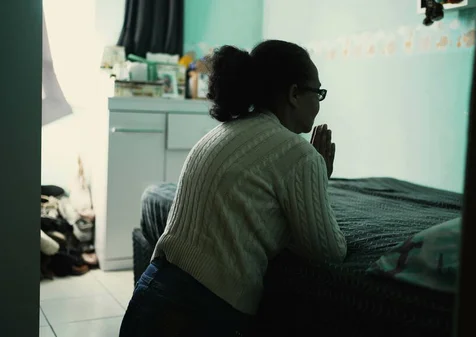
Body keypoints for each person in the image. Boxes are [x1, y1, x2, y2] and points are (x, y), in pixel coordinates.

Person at [119, 40, 347, 337]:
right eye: (317, 92)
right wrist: (319, 178)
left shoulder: (219, 133)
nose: (318, 102)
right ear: (294, 94)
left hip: (151, 291)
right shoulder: (299, 154)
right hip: (204, 312)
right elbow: (329, 250)